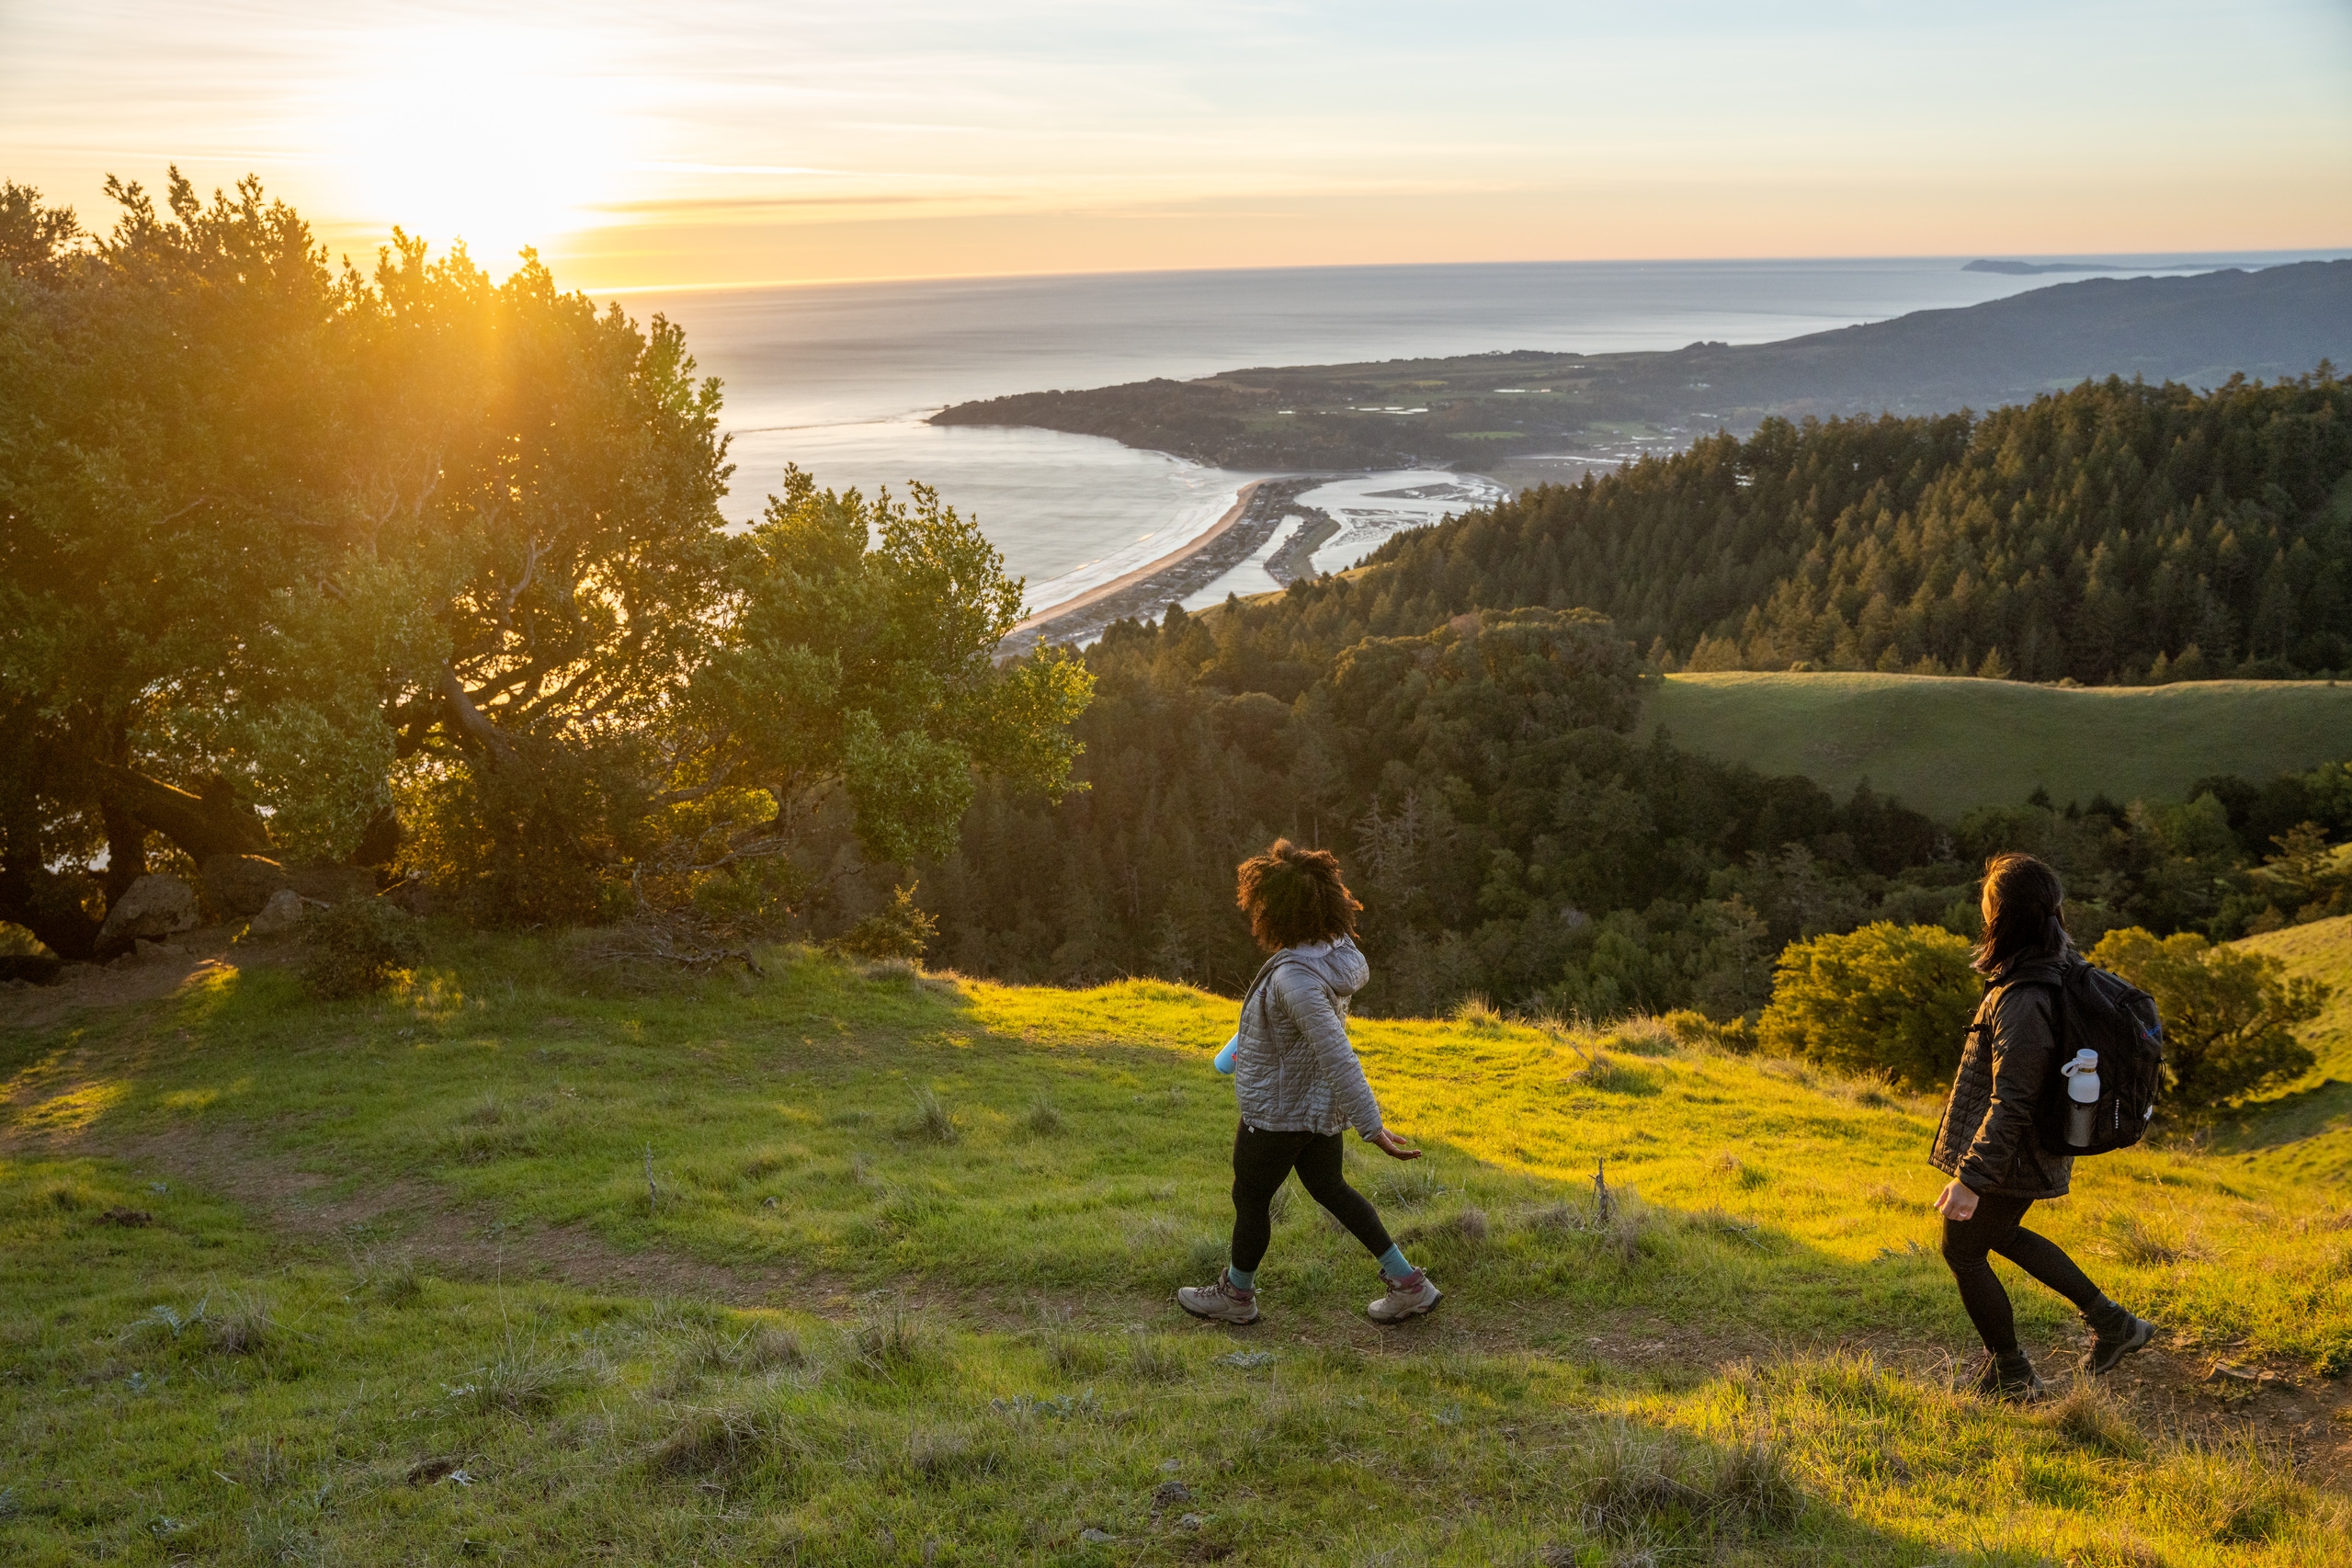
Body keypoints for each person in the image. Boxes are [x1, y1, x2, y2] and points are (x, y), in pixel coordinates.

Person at [1177, 839, 1442, 1326]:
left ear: (1278, 911)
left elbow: (1337, 1052)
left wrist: (1372, 1125)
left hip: (1279, 1113)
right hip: (1316, 1110)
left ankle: (1236, 1297)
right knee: (1331, 1189)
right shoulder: (1334, 951)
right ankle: (1408, 1284)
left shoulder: (1296, 978)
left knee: (1250, 1198)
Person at [1930, 851, 2156, 1401]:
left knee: (1962, 1249)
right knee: (1998, 1235)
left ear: (2003, 917)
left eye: (1987, 906)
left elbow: (2013, 1099)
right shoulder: (2044, 972)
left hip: (2013, 1152)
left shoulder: (2025, 997)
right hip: (2025, 1147)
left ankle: (2012, 1374)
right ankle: (2114, 1324)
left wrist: (1972, 1178)